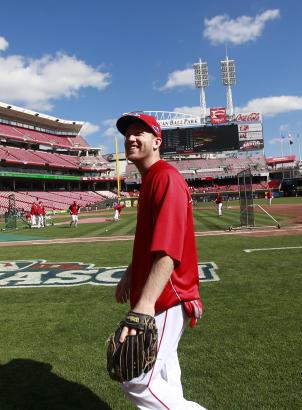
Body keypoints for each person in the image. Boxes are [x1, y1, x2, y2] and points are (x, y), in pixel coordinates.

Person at [114, 112, 204, 409]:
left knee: (137, 380)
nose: (130, 138)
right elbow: (152, 244)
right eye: (128, 133)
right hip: (160, 294)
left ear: (157, 141)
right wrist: (130, 273)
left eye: (140, 132)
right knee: (166, 374)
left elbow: (168, 251)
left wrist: (144, 305)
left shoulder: (165, 178)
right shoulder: (152, 179)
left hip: (166, 296)